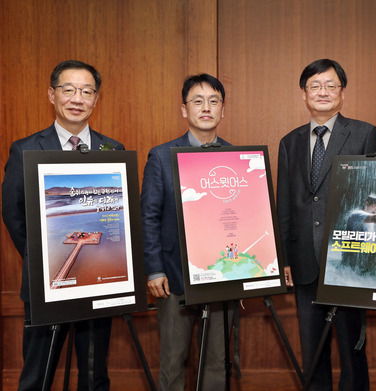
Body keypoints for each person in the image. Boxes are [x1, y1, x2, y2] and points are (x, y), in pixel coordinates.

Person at [2, 60, 121, 390]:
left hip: (99, 282)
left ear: (96, 99)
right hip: (45, 286)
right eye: (68, 89)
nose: (77, 98)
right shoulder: (26, 148)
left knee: (95, 374)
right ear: (51, 94)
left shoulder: (113, 149)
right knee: (37, 375)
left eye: (86, 91)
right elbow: (13, 214)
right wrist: (44, 257)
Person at [277, 58, 376, 390]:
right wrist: (284, 259)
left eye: (330, 85)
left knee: (353, 350)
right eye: (315, 86)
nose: (322, 92)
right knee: (313, 350)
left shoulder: (365, 134)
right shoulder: (290, 142)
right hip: (304, 261)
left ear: (342, 92)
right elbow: (285, 203)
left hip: (350, 260)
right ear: (303, 93)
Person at [141, 73, 235, 391]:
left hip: (224, 277)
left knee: (217, 361)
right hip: (174, 277)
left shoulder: (238, 158)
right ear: (184, 110)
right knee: (172, 360)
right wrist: (153, 269)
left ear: (223, 109)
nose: (205, 108)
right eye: (197, 101)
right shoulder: (161, 156)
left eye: (213, 101)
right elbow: (149, 216)